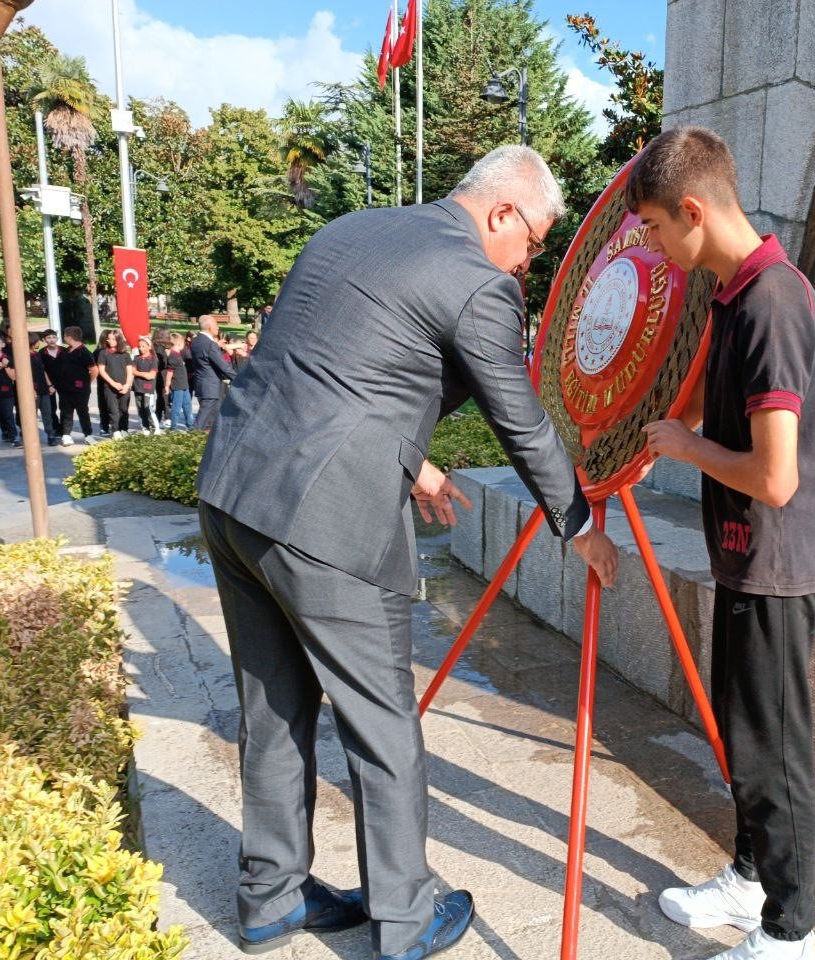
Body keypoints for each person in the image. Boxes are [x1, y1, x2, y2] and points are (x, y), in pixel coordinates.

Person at [195, 145, 620, 958]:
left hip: (234, 490)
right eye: (531, 241)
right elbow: (521, 420)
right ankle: (405, 918)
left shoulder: (354, 230)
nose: (529, 260)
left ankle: (270, 897)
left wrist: (414, 463)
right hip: (323, 521)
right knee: (382, 724)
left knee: (272, 705)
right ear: (500, 212)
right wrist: (580, 524)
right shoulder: (476, 280)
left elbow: (335, 371)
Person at [631, 128, 815, 960]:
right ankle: (751, 879)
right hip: (748, 554)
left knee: (773, 752)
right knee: (745, 739)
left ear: (692, 209)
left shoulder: (771, 304)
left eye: (652, 226)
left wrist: (684, 449)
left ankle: (790, 932)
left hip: (776, 561)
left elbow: (777, 476)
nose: (650, 243)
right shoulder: (737, 293)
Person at [188, 316, 234, 432]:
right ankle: (188, 441)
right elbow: (223, 366)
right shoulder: (210, 344)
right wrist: (240, 379)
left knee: (210, 422)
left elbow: (205, 360)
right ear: (209, 327)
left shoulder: (195, 341)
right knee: (201, 423)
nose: (218, 327)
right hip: (210, 387)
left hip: (201, 384)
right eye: (216, 325)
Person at [56, 326, 97, 446]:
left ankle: (88, 435)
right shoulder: (66, 351)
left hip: (80, 390)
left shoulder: (84, 352)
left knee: (83, 412)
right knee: (66, 412)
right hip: (65, 389)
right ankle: (66, 435)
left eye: (64, 336)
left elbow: (94, 370)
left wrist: (87, 382)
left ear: (70, 337)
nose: (63, 338)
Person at [96, 328, 133, 438]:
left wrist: (127, 385)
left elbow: (130, 372)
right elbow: (102, 371)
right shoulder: (103, 353)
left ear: (119, 340)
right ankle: (115, 430)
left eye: (113, 339)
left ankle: (124, 429)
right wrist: (113, 384)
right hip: (110, 387)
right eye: (109, 339)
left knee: (124, 409)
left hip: (124, 387)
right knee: (113, 410)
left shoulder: (125, 354)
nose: (110, 341)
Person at [26, 332, 60, 446]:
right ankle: (31, 437)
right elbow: (26, 375)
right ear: (32, 342)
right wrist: (31, 389)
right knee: (32, 414)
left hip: (43, 388)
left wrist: (49, 385)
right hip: (33, 389)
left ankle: (50, 435)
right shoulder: (25, 356)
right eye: (37, 341)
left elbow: (42, 370)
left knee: (47, 413)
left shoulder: (37, 354)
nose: (39, 343)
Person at [38, 329, 66, 439]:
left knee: (65, 406)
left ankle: (64, 428)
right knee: (51, 407)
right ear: (44, 340)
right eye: (49, 338)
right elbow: (42, 370)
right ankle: (56, 428)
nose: (52, 340)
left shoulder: (64, 351)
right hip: (49, 383)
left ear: (57, 339)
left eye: (54, 337)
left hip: (64, 382)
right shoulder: (41, 353)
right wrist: (49, 385)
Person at [163, 332, 194, 430]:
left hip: (184, 385)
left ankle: (190, 424)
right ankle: (174, 427)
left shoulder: (177, 355)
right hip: (177, 386)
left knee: (187, 405)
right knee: (176, 407)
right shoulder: (173, 356)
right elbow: (170, 372)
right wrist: (167, 385)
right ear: (179, 344)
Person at [132, 335, 162, 434]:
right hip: (137, 387)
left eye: (143, 346)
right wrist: (144, 374)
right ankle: (145, 427)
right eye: (139, 346)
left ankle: (155, 427)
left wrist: (139, 373)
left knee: (148, 408)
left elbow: (151, 376)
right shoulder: (137, 358)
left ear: (149, 347)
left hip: (148, 388)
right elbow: (133, 371)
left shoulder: (153, 359)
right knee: (140, 409)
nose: (141, 348)